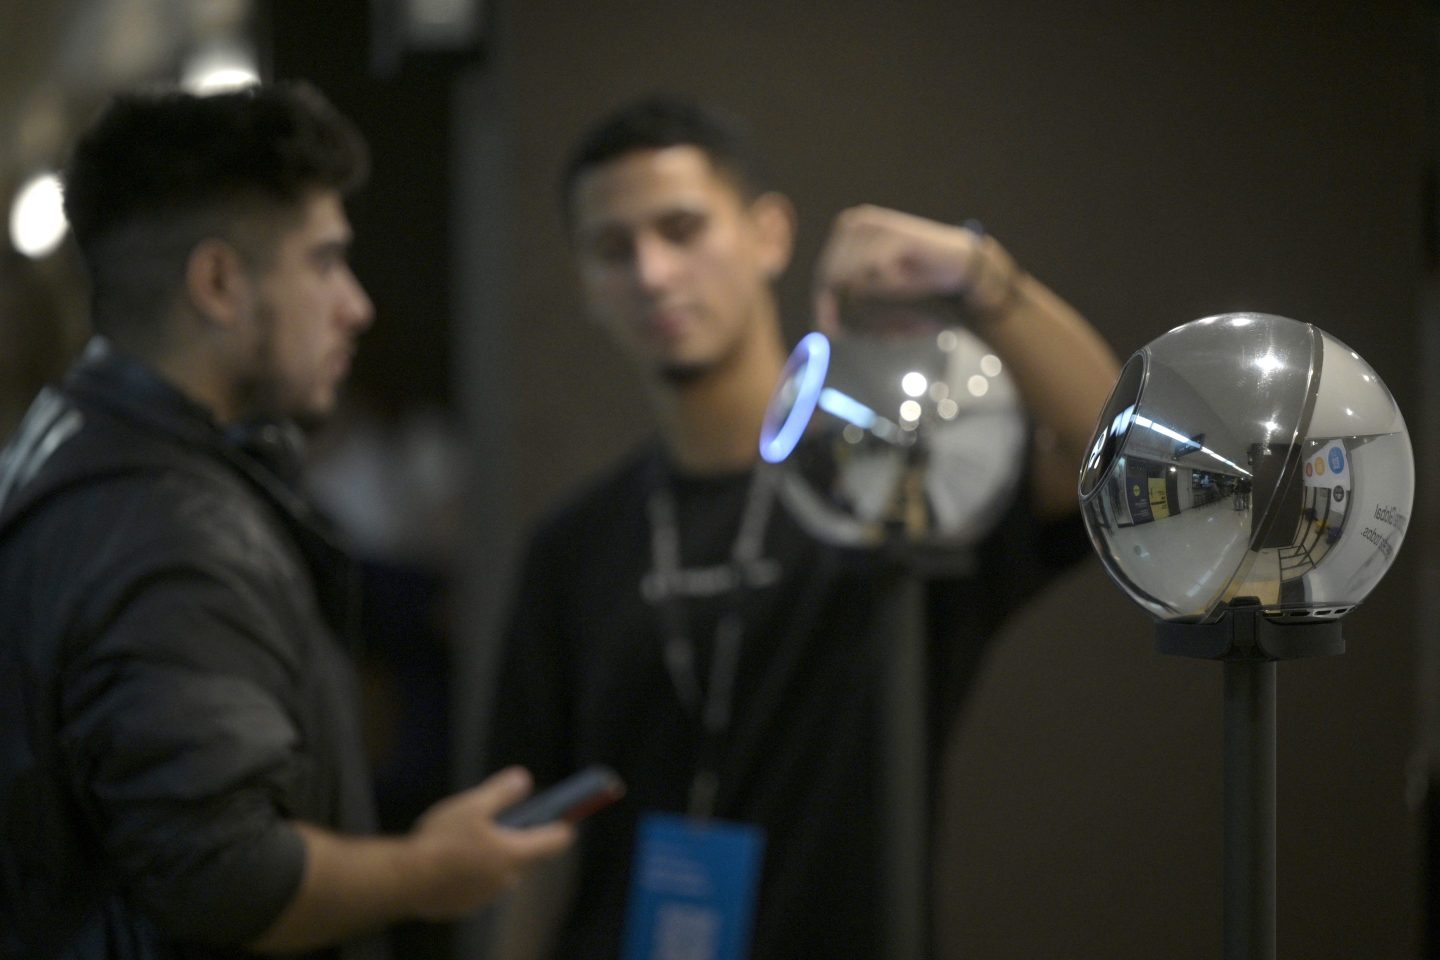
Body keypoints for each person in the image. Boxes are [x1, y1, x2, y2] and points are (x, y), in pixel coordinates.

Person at [481, 95, 1121, 959]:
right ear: (585, 283)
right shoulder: (573, 548)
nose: (653, 273)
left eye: (682, 229)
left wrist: (978, 273)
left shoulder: (898, 490)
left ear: (768, 235)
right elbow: (529, 839)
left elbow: (1117, 454)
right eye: (612, 248)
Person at [0, 82, 572, 960]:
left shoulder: (69, 447)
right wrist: (429, 869)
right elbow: (229, 881)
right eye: (323, 261)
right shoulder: (166, 527)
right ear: (220, 283)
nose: (356, 304)